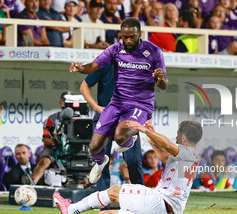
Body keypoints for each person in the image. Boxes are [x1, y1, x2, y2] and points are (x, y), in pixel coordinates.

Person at [70, 17, 168, 185]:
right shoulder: (114, 52)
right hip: (114, 106)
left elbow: (163, 84)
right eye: (124, 37)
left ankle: (138, 197)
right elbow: (91, 70)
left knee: (127, 149)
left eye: (132, 37)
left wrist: (160, 78)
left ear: (140, 34)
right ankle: (101, 177)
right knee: (94, 148)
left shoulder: (153, 52)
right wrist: (81, 68)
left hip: (137, 107)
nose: (128, 41)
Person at [53, 120, 202, 214]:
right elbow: (165, 156)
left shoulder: (187, 152)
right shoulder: (193, 156)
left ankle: (70, 210)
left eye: (177, 135)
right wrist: (152, 140)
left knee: (113, 192)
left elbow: (169, 145)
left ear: (183, 137)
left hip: (158, 202)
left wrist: (146, 130)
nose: (175, 138)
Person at [79, 64, 145, 189]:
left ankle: (141, 199)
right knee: (101, 163)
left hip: (128, 119)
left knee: (134, 161)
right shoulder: (106, 63)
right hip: (105, 118)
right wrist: (96, 107)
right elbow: (84, 86)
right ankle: (103, 204)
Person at [31, 91, 73, 186]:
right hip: (55, 148)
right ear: (61, 102)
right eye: (65, 100)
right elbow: (45, 139)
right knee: (45, 159)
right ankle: (32, 183)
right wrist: (57, 143)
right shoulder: (52, 118)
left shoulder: (81, 118)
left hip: (75, 149)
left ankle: (92, 185)